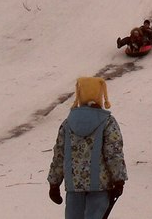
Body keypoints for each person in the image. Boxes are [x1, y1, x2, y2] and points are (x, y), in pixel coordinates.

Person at [48, 77, 127, 219]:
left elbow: (59, 155)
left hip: (74, 186)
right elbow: (113, 152)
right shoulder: (107, 122)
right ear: (100, 95)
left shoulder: (68, 123)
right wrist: (118, 179)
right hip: (100, 186)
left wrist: (54, 183)